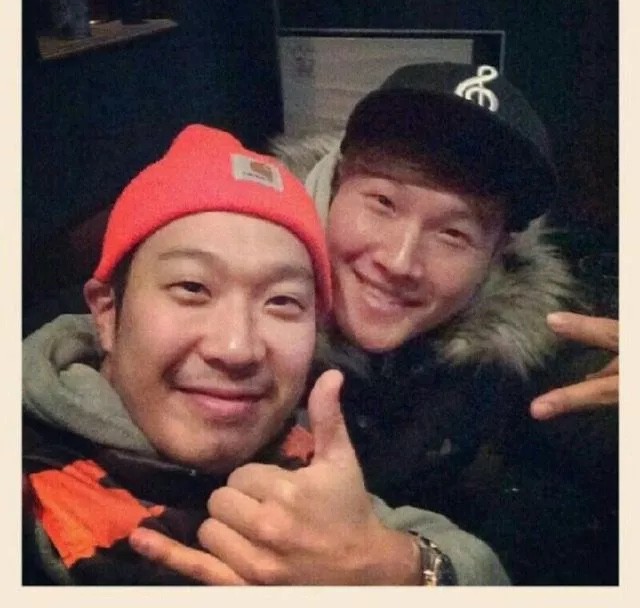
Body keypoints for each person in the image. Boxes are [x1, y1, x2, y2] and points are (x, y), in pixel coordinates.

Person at [131, 63, 618, 585]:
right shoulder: (224, 285)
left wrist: (406, 570)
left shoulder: (545, 356)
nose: (400, 261)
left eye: (453, 234)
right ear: (336, 183)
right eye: (383, 203)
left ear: (497, 253)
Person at [22, 123, 509, 585]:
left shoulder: (302, 462)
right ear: (107, 312)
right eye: (192, 287)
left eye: (282, 302)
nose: (237, 348)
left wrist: (399, 572)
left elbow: (473, 563)